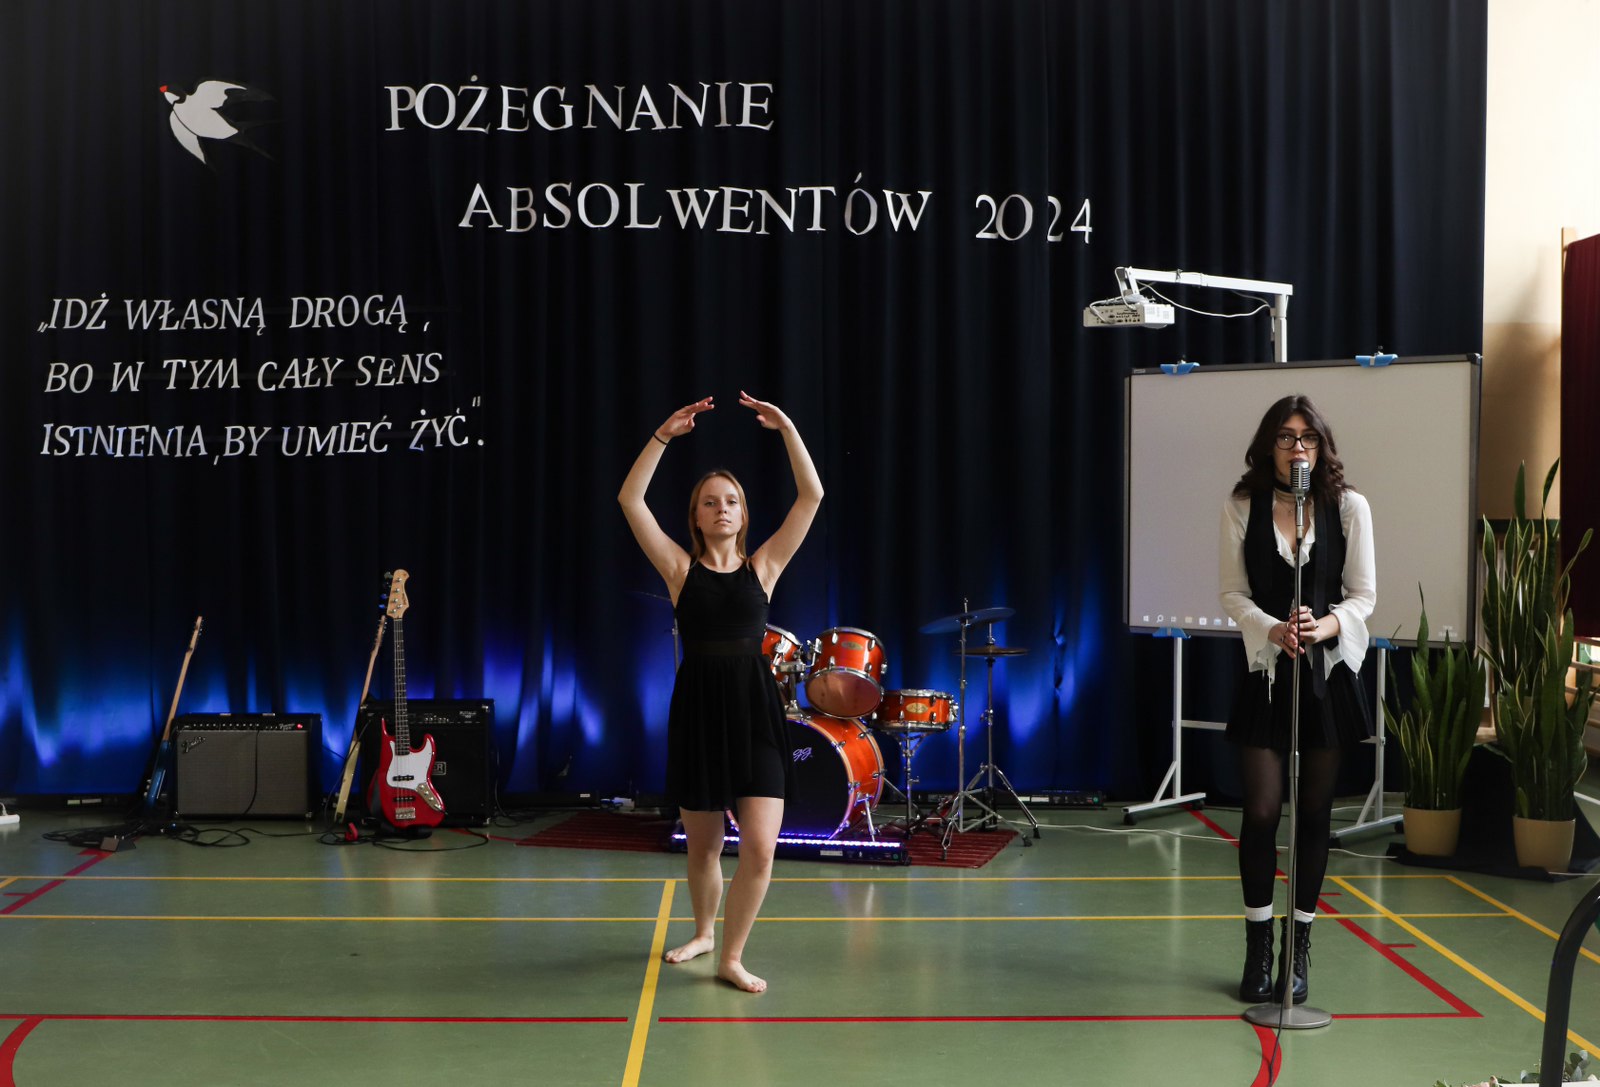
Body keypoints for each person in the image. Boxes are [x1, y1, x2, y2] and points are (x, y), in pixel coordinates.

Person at [618, 391, 823, 993]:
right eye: (710, 502)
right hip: (700, 712)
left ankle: (732, 956)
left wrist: (787, 429)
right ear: (697, 516)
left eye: (731, 500)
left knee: (760, 848)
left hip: (756, 712)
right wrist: (662, 435)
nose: (722, 508)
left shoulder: (765, 567)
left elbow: (811, 496)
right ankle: (705, 932)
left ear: (744, 513)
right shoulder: (679, 570)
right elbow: (630, 500)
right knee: (703, 848)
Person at [1218, 395, 1375, 1005]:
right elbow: (1233, 593)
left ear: (1321, 446)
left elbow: (1362, 596)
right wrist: (1273, 628)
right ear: (1269, 446)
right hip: (1266, 673)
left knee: (1313, 815)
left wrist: (1322, 627)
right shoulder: (1241, 505)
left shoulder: (1349, 506)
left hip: (1325, 676)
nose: (1297, 448)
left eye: (1308, 438)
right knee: (1261, 812)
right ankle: (1258, 945)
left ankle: (1298, 949)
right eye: (1285, 437)